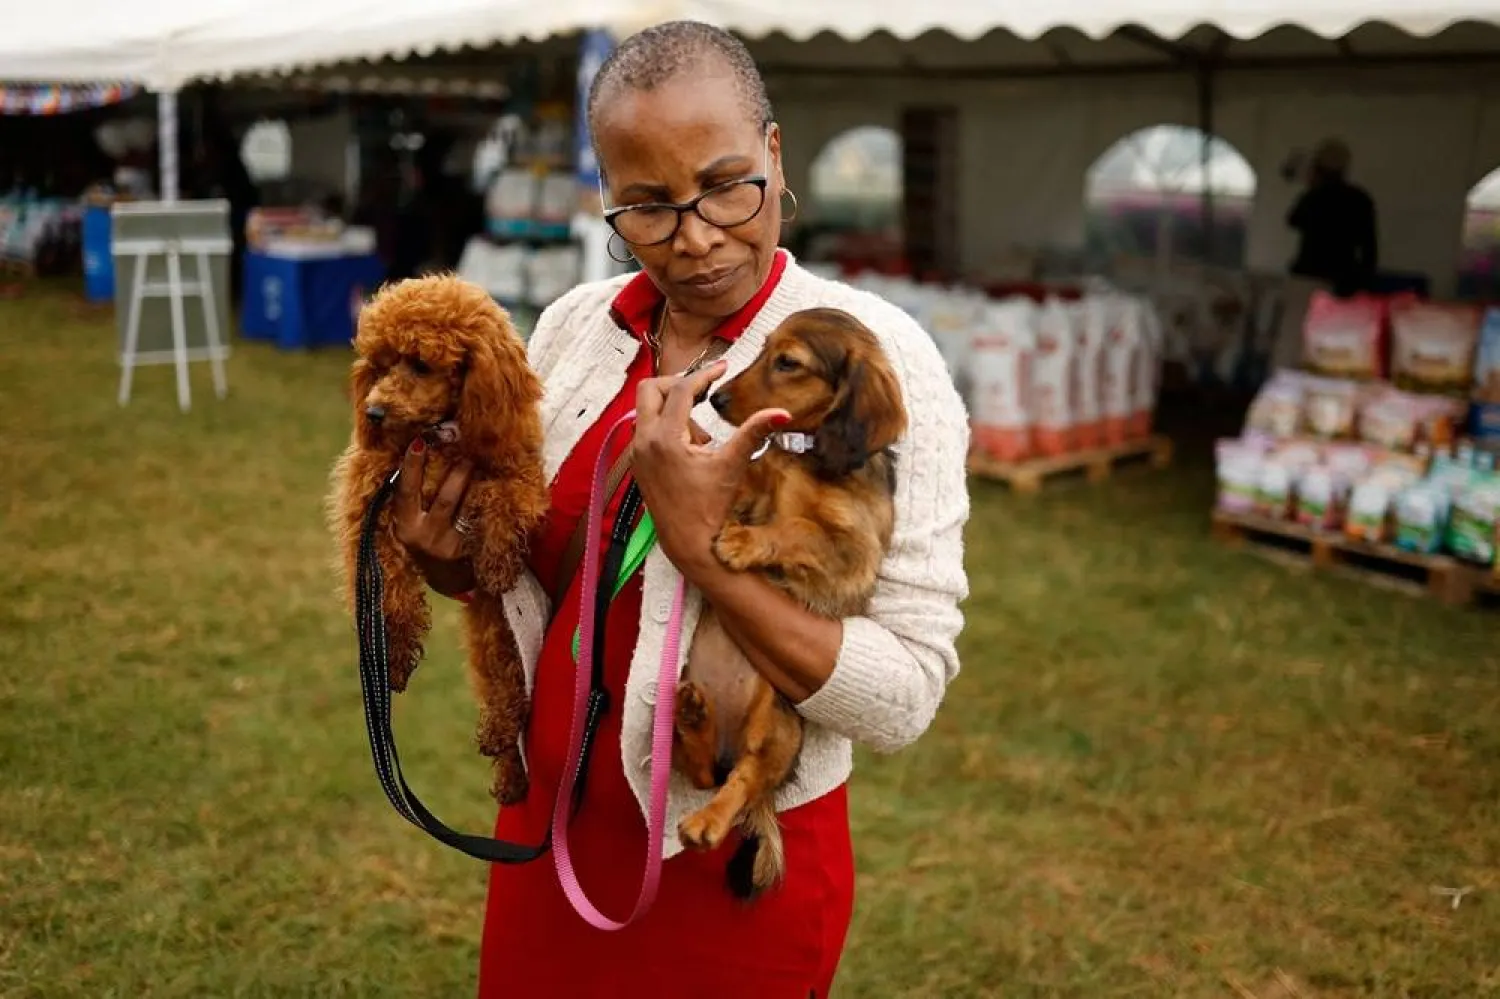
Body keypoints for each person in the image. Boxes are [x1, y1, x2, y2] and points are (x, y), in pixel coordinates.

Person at [389, 20, 970, 998]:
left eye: (727, 186)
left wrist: (705, 552)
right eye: (647, 208)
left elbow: (906, 692)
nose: (695, 238)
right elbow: (543, 580)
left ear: (776, 155)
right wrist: (453, 561)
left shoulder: (873, 356)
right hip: (552, 835)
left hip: (732, 858)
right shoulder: (577, 327)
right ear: (606, 199)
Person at [1286, 138, 1378, 296]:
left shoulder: (1313, 197)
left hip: (1309, 274)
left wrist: (1311, 188)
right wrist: (1364, 281)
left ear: (1318, 168)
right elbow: (1369, 245)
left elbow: (1293, 221)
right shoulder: (1360, 198)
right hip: (1344, 277)